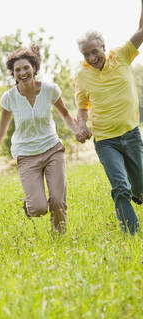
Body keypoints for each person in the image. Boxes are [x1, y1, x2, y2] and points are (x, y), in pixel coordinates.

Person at [0, 45, 79, 232]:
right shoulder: (9, 98)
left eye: (26, 68)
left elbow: (65, 115)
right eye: (17, 70)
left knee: (58, 200)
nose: (22, 72)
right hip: (26, 155)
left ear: (34, 68)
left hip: (52, 149)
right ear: (13, 74)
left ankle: (59, 240)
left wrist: (77, 130)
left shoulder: (50, 90)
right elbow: (1, 130)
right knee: (38, 208)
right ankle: (30, 205)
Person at [74, 1, 143, 235]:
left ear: (104, 45)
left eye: (95, 51)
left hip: (131, 134)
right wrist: (81, 126)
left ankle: (138, 192)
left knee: (141, 189)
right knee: (120, 187)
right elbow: (82, 107)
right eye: (86, 54)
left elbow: (141, 31)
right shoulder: (82, 76)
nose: (92, 57)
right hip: (106, 140)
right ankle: (131, 234)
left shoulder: (122, 55)